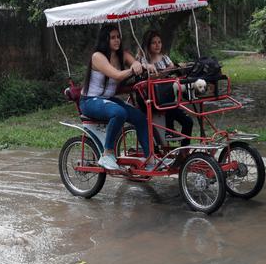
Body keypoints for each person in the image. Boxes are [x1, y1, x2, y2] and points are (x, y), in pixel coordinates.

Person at [80, 25, 154, 171]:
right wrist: (133, 68)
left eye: (118, 37)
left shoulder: (123, 54)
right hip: (90, 101)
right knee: (119, 112)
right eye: (112, 37)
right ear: (105, 39)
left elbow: (135, 62)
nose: (116, 40)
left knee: (140, 117)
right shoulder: (98, 56)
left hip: (108, 99)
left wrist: (141, 64)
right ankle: (107, 153)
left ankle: (150, 159)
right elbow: (116, 75)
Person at [138, 30, 193, 147]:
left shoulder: (164, 58)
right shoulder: (143, 60)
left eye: (159, 42)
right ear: (147, 45)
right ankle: (169, 130)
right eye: (154, 43)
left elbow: (172, 70)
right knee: (170, 105)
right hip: (153, 99)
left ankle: (184, 152)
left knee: (188, 121)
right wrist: (164, 72)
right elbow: (147, 77)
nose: (157, 45)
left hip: (168, 96)